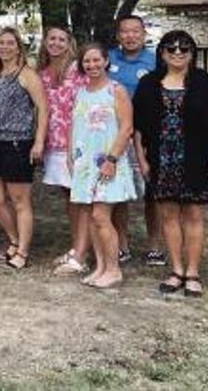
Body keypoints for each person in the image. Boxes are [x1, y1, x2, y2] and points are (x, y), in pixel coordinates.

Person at [134, 31, 208, 298]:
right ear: (162, 53)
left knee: (193, 216)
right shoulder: (149, 83)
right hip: (162, 161)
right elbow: (137, 128)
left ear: (192, 53)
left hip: (196, 160)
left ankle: (193, 273)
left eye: (184, 47)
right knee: (169, 217)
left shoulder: (206, 83)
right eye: (171, 48)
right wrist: (141, 159)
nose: (178, 52)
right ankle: (176, 270)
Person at [70, 43, 138, 289]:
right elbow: (74, 125)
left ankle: (114, 269)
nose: (92, 65)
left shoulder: (116, 91)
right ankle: (100, 266)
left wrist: (112, 160)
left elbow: (127, 128)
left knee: (101, 215)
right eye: (87, 61)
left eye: (96, 60)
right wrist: (71, 156)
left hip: (108, 161)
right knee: (90, 216)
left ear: (106, 61)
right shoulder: (81, 91)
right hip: (85, 162)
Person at [0, 28, 48, 269]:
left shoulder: (26, 74)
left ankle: (23, 252)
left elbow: (42, 108)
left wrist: (39, 141)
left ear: (18, 47)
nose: (5, 47)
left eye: (10, 43)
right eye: (0, 43)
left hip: (17, 142)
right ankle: (14, 239)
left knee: (20, 200)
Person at [108, 14, 161, 265]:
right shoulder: (108, 59)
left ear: (144, 34)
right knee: (118, 192)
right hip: (115, 135)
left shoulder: (156, 61)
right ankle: (122, 244)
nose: (130, 36)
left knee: (153, 192)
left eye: (135, 32)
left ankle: (154, 245)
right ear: (118, 35)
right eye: (124, 32)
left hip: (149, 134)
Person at [36, 26, 88, 275]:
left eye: (61, 39)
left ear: (69, 43)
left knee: (80, 198)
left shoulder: (78, 69)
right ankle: (76, 246)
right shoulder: (43, 73)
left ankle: (81, 253)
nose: (56, 43)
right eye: (52, 38)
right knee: (68, 198)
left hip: (77, 143)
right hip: (54, 143)